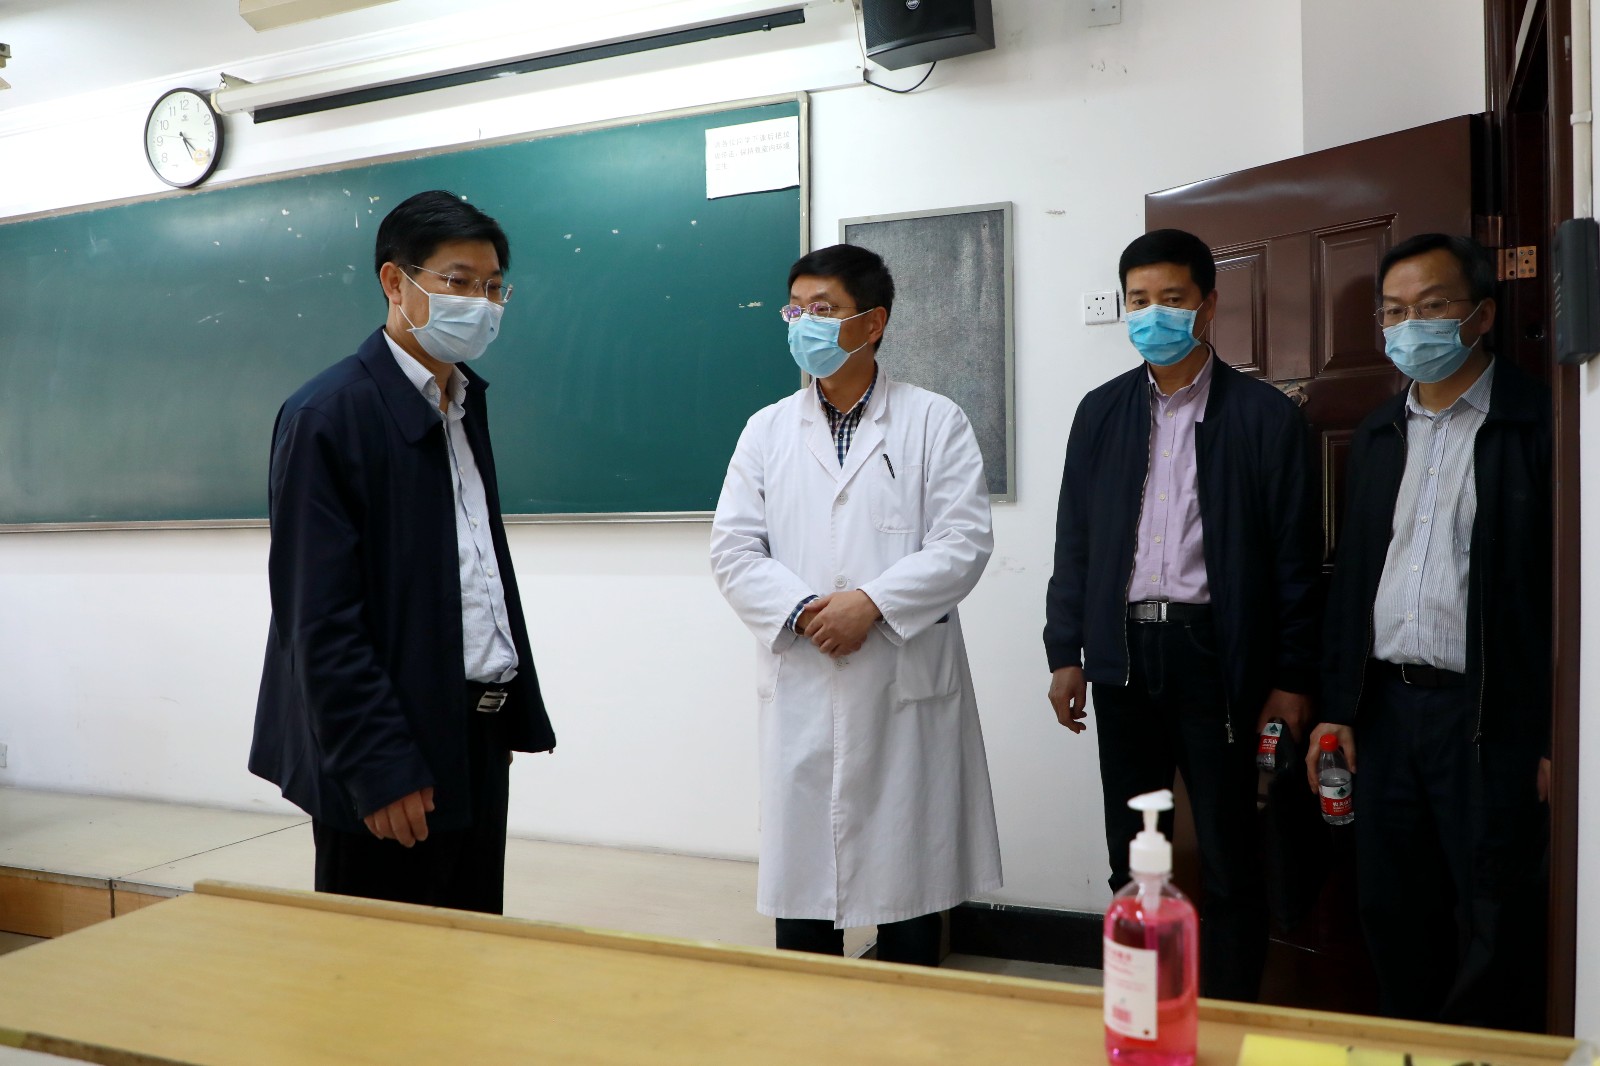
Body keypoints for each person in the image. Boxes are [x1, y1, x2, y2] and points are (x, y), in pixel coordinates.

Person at [250, 189, 554, 914]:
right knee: (379, 969)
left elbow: (471, 570)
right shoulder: (328, 414)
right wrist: (377, 765)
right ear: (395, 281)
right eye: (458, 282)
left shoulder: (461, 403)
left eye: (493, 287)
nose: (480, 304)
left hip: (472, 732)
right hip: (390, 749)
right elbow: (318, 618)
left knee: (468, 950)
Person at [1044, 228, 1320, 1002]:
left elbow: (1296, 560)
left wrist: (1293, 676)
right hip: (1123, 656)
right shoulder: (1101, 412)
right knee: (1132, 852)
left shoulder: (1264, 416)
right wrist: (1065, 651)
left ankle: (1225, 1015)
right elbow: (1075, 541)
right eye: (1138, 300)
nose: (1153, 314)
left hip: (1217, 657)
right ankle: (1144, 1008)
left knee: (1231, 858)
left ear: (1207, 304)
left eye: (1171, 298)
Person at [709, 243, 1001, 966]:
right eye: (795, 310)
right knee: (804, 913)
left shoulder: (934, 420)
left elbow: (963, 542)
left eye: (824, 309)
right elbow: (734, 549)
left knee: (908, 897)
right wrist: (807, 610)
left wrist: (870, 603)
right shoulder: (767, 429)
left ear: (873, 323)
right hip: (805, 674)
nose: (804, 323)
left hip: (901, 684)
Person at [1308, 233, 1551, 1029]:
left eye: (1433, 306)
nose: (1410, 326)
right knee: (1390, 907)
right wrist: (1337, 709)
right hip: (1385, 713)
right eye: (1393, 311)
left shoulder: (1538, 424)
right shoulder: (1380, 432)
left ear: (1481, 314)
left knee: (1493, 916)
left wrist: (1557, 736)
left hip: (1486, 719)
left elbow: (1556, 595)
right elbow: (1354, 581)